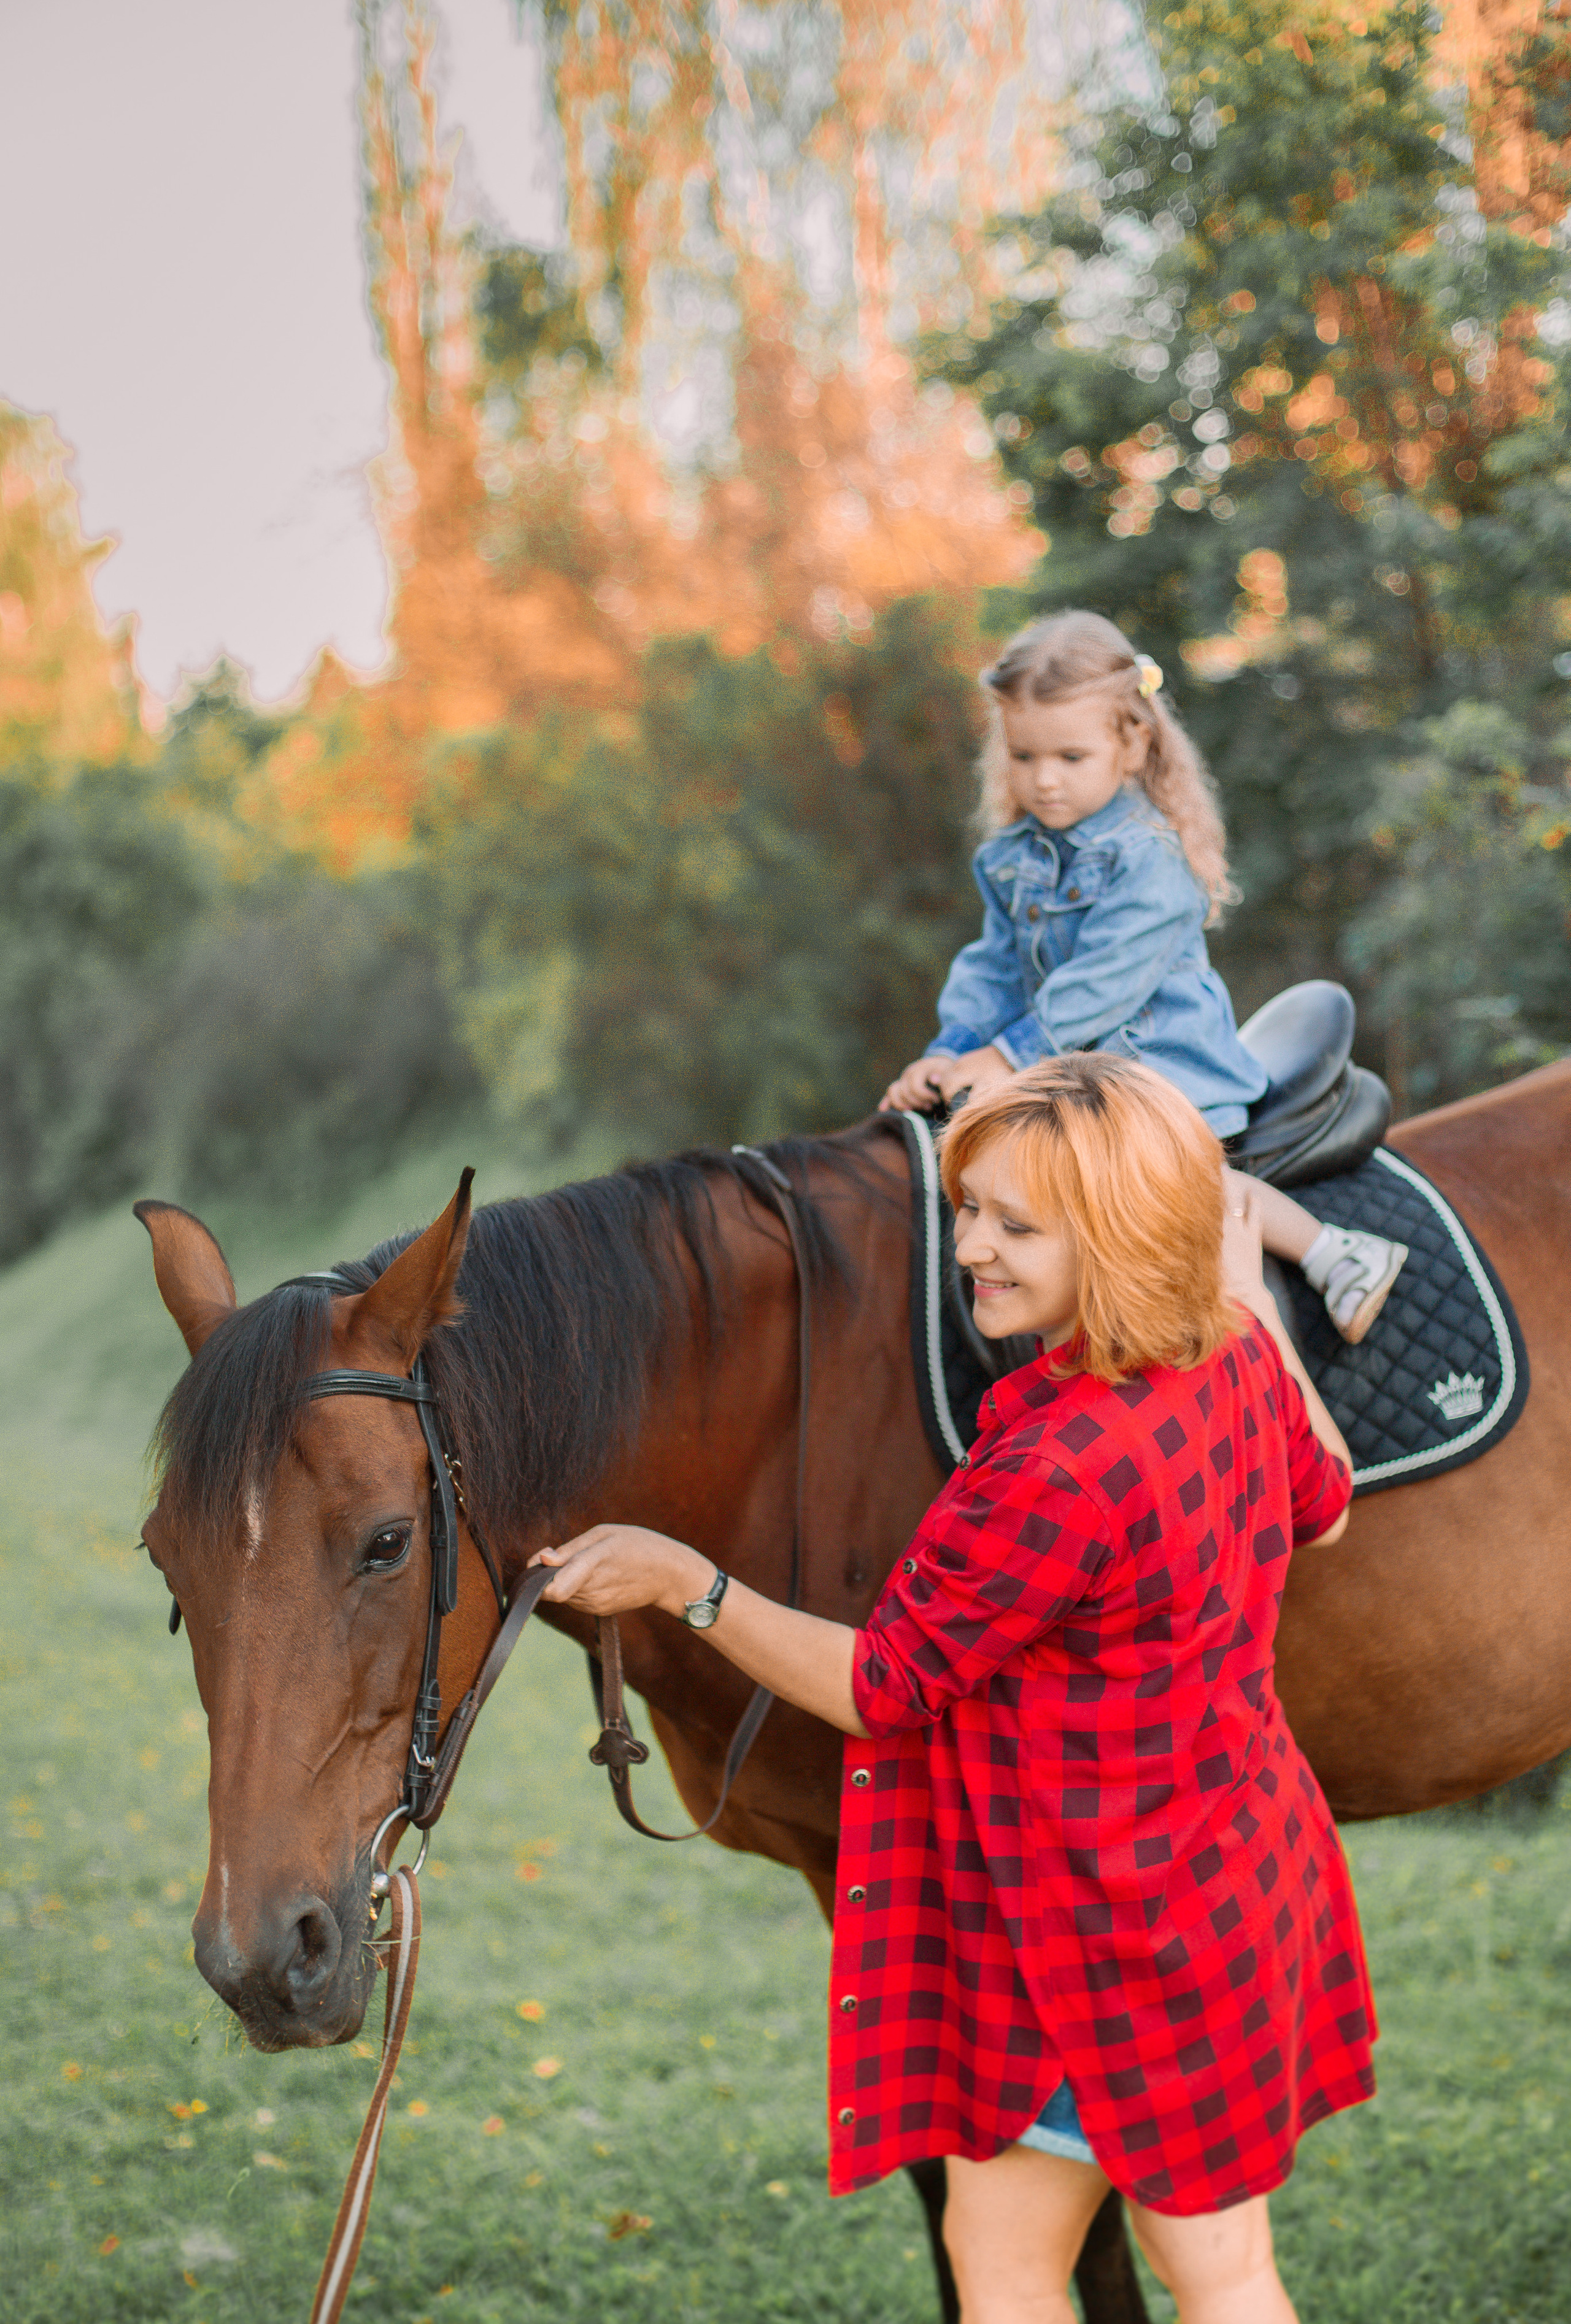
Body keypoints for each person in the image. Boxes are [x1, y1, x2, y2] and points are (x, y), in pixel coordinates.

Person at [534, 1054, 1377, 2324]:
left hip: (1089, 1937)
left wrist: (684, 1581)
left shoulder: (1053, 1460)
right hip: (1230, 1886)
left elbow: (881, 1687)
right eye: (967, 1207)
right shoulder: (1231, 1360)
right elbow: (1324, 1504)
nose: (970, 1247)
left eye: (1013, 1226)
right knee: (1225, 2272)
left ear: (1113, 1232)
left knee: (1002, 2270)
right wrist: (1248, 1298)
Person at [879, 609, 1405, 1345]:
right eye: (1025, 757)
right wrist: (951, 1050)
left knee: (1153, 1178)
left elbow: (1106, 981)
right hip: (1070, 1069)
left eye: (1070, 757)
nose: (1044, 781)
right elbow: (993, 965)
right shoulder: (1011, 857)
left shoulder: (1148, 858)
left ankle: (1331, 1251)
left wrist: (1005, 1059)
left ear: (1130, 744)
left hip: (1161, 1068)